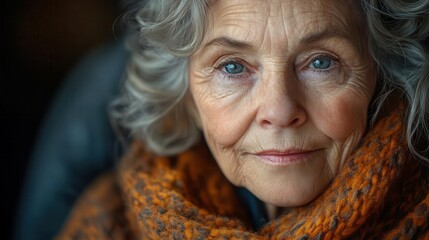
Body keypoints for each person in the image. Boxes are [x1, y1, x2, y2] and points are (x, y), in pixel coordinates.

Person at [56, 0, 429, 239]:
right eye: (233, 67)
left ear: (378, 76)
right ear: (186, 98)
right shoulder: (107, 225)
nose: (279, 111)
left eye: (321, 62)